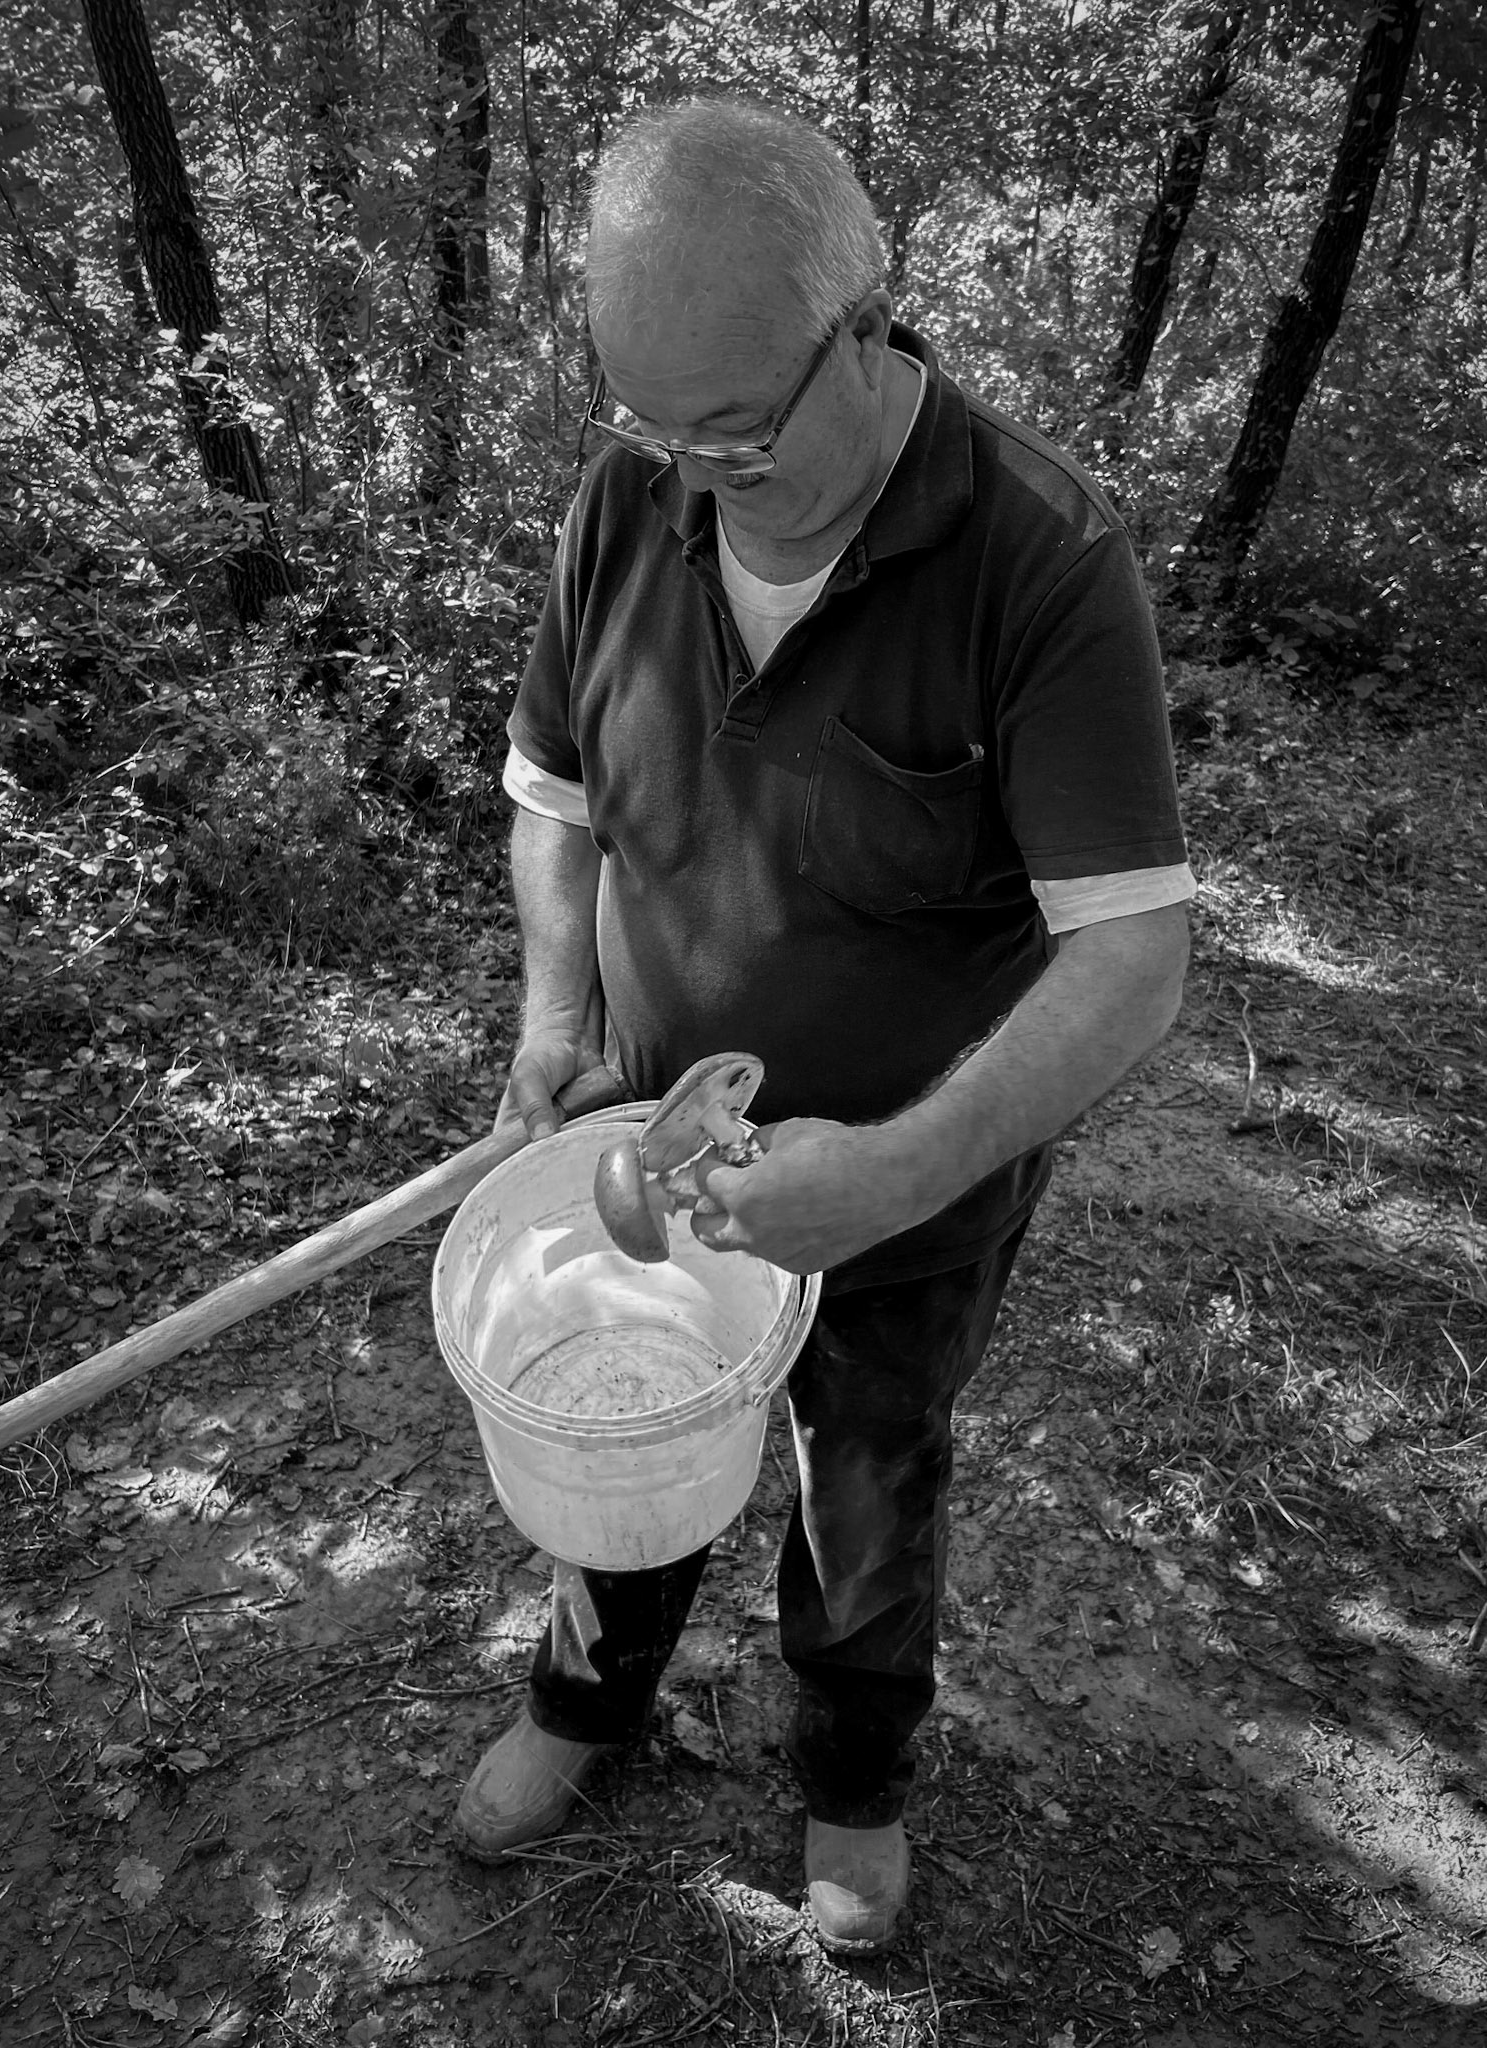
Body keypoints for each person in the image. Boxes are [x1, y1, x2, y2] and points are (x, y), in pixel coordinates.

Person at [456, 95, 1194, 1953]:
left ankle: (852, 1784)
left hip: (901, 1190)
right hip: (637, 1143)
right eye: (653, 429)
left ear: (866, 323)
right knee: (613, 1431)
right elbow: (551, 789)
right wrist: (555, 1019)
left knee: (864, 1489)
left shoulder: (1041, 555)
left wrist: (895, 1172)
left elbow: (1129, 956)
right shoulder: (630, 497)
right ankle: (579, 1699)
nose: (691, 482)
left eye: (733, 433)